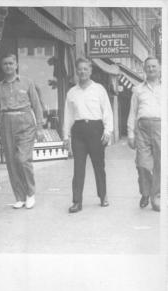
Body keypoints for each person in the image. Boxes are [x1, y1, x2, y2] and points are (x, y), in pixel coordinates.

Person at [0, 53, 44, 209]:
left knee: (22, 159)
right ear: (2, 67)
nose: (8, 66)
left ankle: (30, 193)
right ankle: (19, 197)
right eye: (5, 64)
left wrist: (39, 127)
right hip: (6, 123)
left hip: (25, 121)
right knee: (12, 162)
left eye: (10, 63)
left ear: (16, 65)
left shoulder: (27, 82)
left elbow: (37, 105)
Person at [63, 57, 113, 213]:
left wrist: (107, 131)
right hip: (78, 131)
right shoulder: (72, 92)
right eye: (80, 69)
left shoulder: (99, 89)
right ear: (76, 71)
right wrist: (66, 136)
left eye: (85, 69)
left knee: (99, 165)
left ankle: (103, 195)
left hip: (95, 129)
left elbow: (107, 111)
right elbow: (68, 116)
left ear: (90, 71)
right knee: (78, 168)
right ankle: (77, 201)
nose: (82, 72)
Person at [127, 56, 161, 212]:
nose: (151, 69)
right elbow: (132, 112)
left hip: (161, 128)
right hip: (142, 129)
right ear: (144, 69)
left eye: (154, 66)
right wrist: (130, 134)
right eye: (148, 67)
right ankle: (145, 192)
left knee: (160, 164)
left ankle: (156, 196)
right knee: (142, 164)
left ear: (159, 68)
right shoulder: (138, 89)